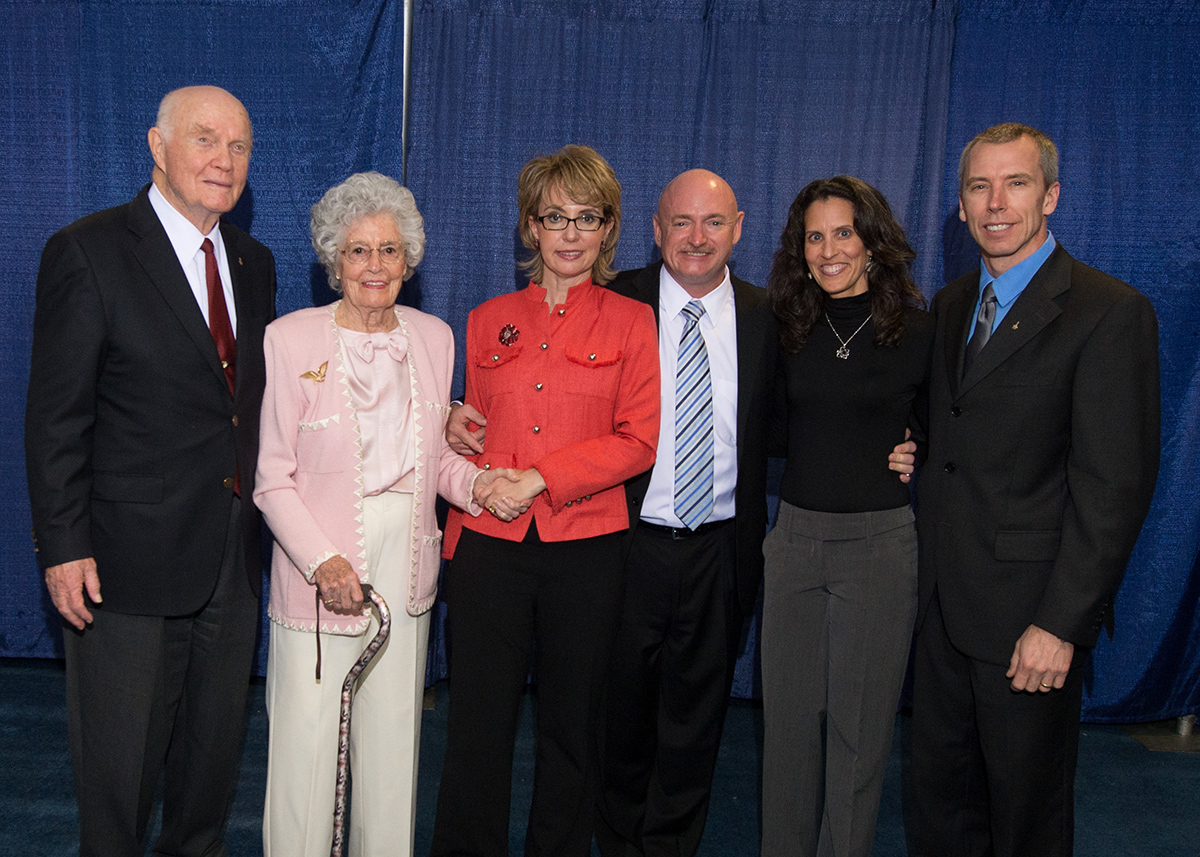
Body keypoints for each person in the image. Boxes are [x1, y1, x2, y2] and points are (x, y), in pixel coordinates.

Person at [24, 85, 276, 856]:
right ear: (156, 146)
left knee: (208, 766)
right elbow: (56, 416)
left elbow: (257, 403)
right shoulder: (88, 249)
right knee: (121, 774)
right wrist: (64, 546)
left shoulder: (253, 260)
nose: (223, 160)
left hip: (232, 559)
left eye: (238, 147)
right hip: (123, 560)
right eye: (205, 140)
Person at [910, 123, 1160, 857]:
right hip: (943, 611)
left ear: (1050, 195)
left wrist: (1061, 622)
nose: (996, 203)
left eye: (1015, 183)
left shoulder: (1108, 312)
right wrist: (911, 449)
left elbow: (1114, 488)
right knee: (942, 810)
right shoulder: (953, 302)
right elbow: (961, 433)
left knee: (1025, 818)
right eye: (979, 187)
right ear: (958, 205)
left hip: (1030, 626)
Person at [254, 172, 518, 857]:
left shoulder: (434, 337)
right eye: (359, 250)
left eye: (390, 250)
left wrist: (484, 484)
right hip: (318, 565)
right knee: (306, 750)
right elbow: (271, 478)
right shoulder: (288, 339)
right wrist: (323, 561)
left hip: (409, 565)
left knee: (394, 746)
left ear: (411, 259)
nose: (376, 265)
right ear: (333, 259)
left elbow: (437, 463)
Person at [430, 144, 661, 857]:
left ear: (607, 229)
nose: (569, 233)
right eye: (554, 216)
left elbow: (638, 440)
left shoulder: (631, 321)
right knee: (478, 725)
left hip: (586, 549)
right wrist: (452, 417)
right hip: (487, 549)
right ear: (531, 227)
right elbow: (471, 418)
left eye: (585, 218)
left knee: (572, 727)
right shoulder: (486, 317)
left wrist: (541, 477)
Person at [760, 176, 933, 857]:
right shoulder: (784, 327)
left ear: (871, 240)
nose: (830, 249)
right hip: (795, 541)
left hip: (880, 548)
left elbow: (953, 428)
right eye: (815, 236)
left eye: (843, 232)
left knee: (860, 737)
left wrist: (919, 448)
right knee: (789, 732)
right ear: (799, 250)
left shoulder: (921, 331)